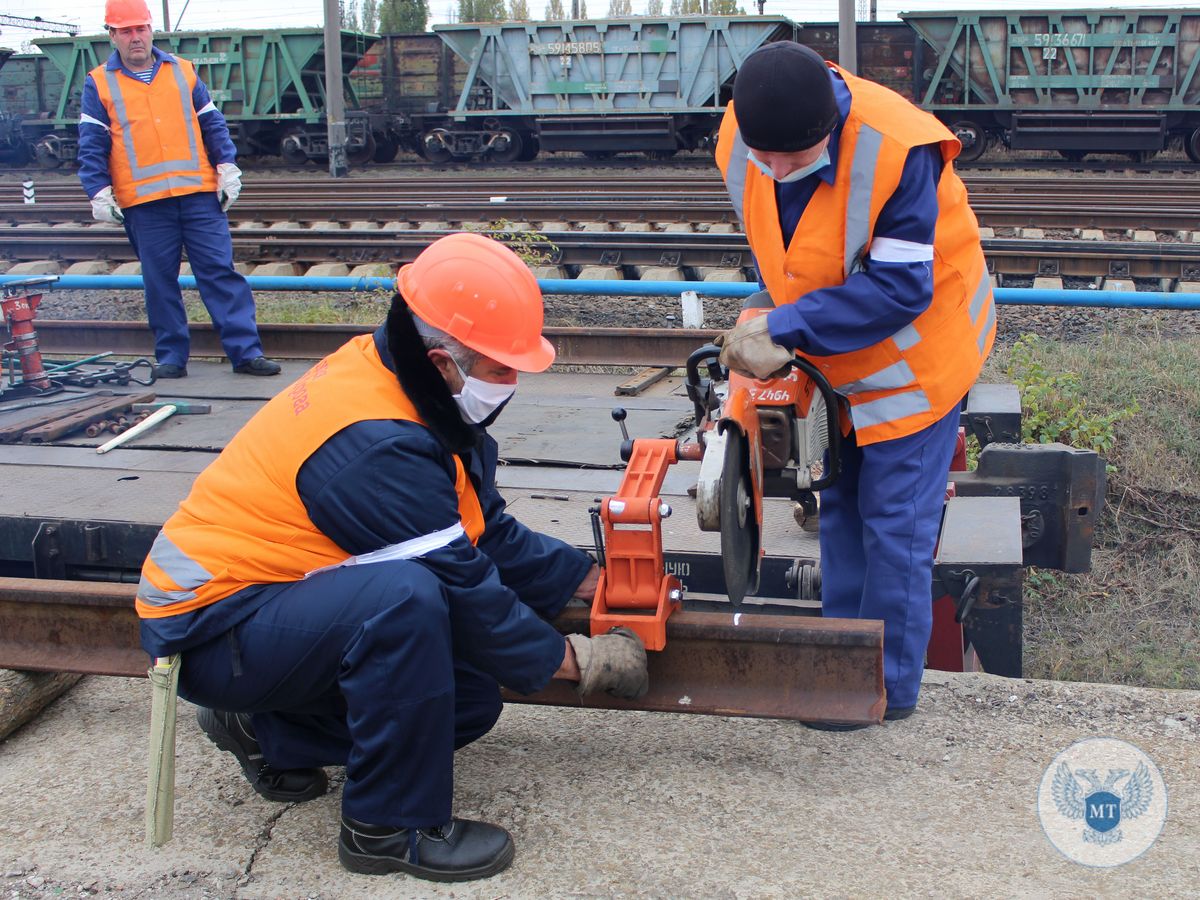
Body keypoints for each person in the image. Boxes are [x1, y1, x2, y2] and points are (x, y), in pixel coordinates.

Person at [135, 232, 649, 882]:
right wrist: (573, 661)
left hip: (271, 609)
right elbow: (459, 583)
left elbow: (478, 531)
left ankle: (267, 731)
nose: (511, 384)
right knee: (404, 601)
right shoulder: (377, 446)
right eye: (499, 369)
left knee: (467, 701)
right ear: (442, 362)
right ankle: (388, 829)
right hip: (211, 627)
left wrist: (588, 578)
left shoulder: (404, 385)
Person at [714, 42, 996, 729]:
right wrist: (770, 312)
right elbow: (788, 248)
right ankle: (842, 665)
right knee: (838, 506)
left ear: (829, 130)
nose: (776, 173)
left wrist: (788, 327)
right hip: (832, 362)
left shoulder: (899, 149)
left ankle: (886, 691)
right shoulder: (739, 136)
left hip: (917, 365)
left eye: (794, 160)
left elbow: (900, 288)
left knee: (894, 526)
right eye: (765, 159)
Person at [76, 0, 280, 379]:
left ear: (151, 30)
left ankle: (246, 353)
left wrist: (227, 166)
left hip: (199, 193)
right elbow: (92, 142)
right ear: (112, 35)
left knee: (219, 272)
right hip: (145, 202)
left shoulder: (182, 71)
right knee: (159, 281)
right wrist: (97, 190)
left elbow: (212, 124)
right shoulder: (99, 82)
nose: (135, 37)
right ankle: (171, 357)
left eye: (140, 28)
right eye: (126, 31)